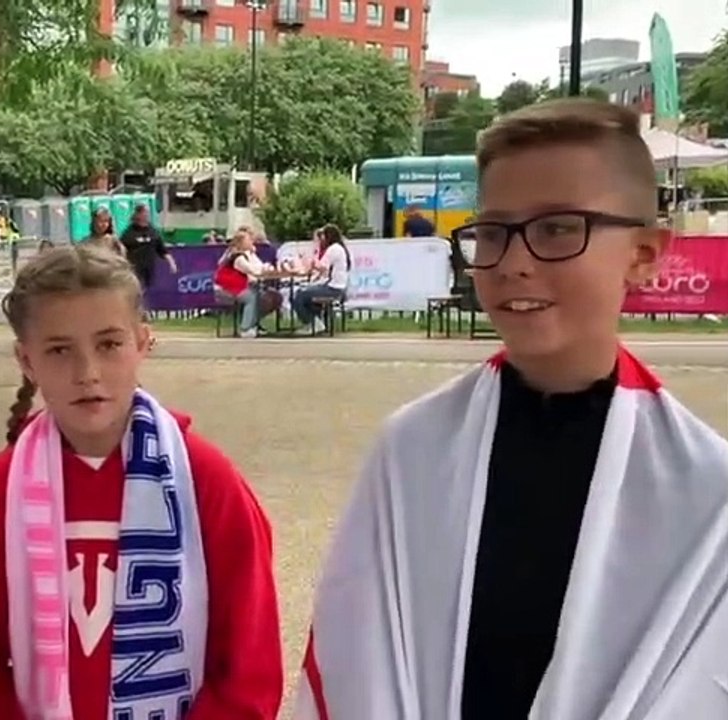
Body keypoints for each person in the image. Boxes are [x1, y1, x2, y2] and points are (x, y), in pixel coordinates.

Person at [292, 99, 728, 720]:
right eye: (493, 232)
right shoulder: (411, 451)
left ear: (644, 253)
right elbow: (356, 660)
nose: (513, 261)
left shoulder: (708, 493)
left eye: (556, 227)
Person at [0, 244, 283, 719]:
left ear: (143, 342)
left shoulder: (204, 481)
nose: (87, 373)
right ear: (26, 361)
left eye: (109, 344)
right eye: (58, 350)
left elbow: (249, 664)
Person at [291, 225, 349, 335]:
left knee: (299, 295)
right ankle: (316, 322)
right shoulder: (339, 248)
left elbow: (322, 267)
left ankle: (312, 323)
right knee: (308, 295)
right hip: (337, 287)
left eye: (323, 235)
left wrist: (311, 261)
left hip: (332, 288)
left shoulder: (333, 249)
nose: (321, 238)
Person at [214, 229, 269, 338]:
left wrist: (265, 268)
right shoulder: (238, 257)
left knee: (258, 293)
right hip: (224, 290)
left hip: (235, 287)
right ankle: (245, 328)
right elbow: (253, 271)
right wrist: (265, 269)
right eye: (249, 240)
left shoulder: (245, 255)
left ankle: (253, 325)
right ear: (241, 243)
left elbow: (258, 268)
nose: (252, 242)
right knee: (251, 296)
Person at [118, 203, 176, 294]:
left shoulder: (153, 231)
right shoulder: (129, 233)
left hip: (149, 269)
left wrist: (172, 263)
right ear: (137, 214)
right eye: (144, 213)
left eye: (147, 213)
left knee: (148, 292)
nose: (146, 215)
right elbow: (121, 249)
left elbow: (162, 250)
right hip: (135, 270)